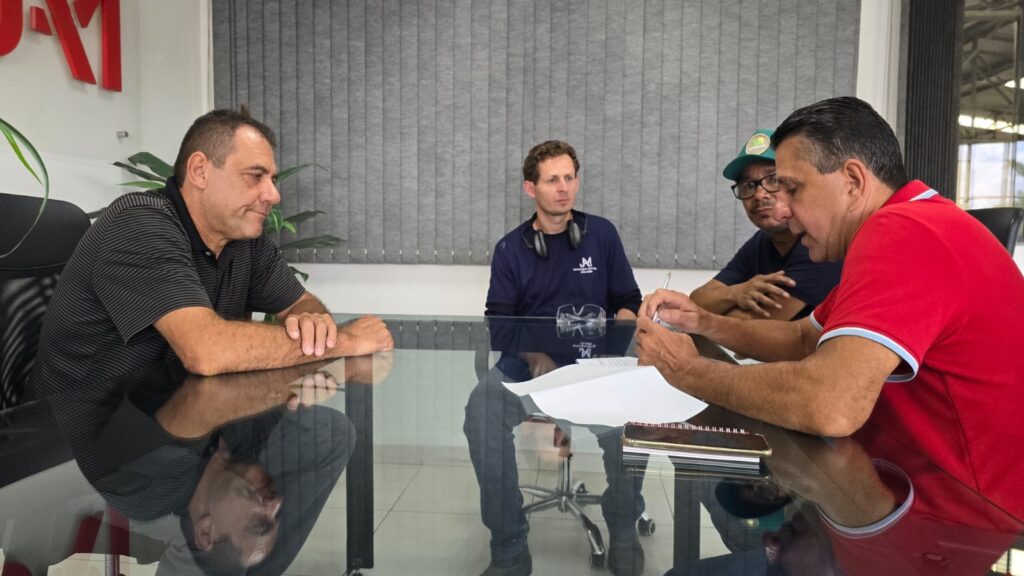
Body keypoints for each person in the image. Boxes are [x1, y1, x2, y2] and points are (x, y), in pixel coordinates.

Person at [635, 96, 1024, 521]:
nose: (783, 210)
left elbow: (829, 405)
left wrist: (686, 370)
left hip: (957, 517)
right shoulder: (908, 223)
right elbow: (804, 338)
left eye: (792, 189)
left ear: (853, 181)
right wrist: (705, 322)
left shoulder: (904, 232)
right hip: (901, 490)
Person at [30, 107, 392, 399]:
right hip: (85, 433)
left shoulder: (243, 237)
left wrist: (312, 322)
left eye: (272, 179)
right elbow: (207, 352)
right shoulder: (139, 223)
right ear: (200, 171)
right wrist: (345, 341)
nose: (273, 195)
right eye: (255, 176)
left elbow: (300, 303)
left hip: (176, 415)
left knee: (327, 435)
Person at [465, 140, 645, 576]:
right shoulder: (510, 250)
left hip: (596, 365)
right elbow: (500, 322)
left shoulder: (602, 235)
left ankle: (623, 529)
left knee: (632, 420)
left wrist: (618, 342)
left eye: (569, 178)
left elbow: (628, 300)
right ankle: (509, 548)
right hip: (529, 367)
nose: (563, 188)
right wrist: (534, 355)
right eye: (552, 180)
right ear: (531, 188)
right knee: (481, 411)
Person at [689, 129, 842, 320]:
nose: (759, 195)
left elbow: (752, 324)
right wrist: (735, 293)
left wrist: (704, 314)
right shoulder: (762, 242)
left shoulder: (820, 240)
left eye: (773, 179)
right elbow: (697, 300)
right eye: (748, 185)